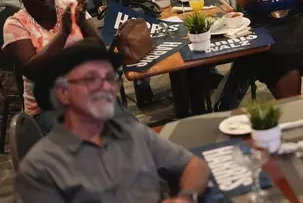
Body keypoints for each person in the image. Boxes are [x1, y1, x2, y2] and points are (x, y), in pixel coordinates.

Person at [15, 40, 210, 202]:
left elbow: (194, 165)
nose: (105, 87)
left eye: (109, 78)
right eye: (90, 79)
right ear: (63, 93)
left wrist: (185, 197)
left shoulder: (132, 132)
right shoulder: (40, 168)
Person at [2, 0, 103, 134]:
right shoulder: (15, 24)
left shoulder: (70, 7)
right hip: (47, 108)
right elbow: (32, 71)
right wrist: (63, 33)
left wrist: (82, 21)